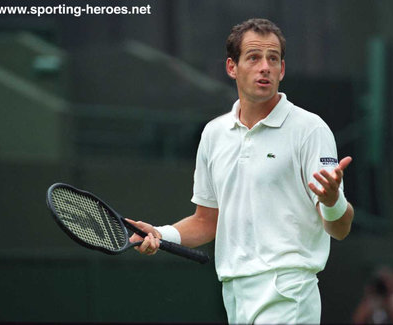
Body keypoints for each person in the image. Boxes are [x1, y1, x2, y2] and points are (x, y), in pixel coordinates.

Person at [126, 18, 354, 324]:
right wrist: (161, 234)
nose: (265, 67)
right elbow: (206, 221)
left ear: (282, 70)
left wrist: (331, 200)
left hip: (288, 292)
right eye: (254, 58)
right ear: (232, 67)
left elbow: (340, 228)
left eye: (273, 59)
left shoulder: (310, 130)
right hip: (234, 293)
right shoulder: (213, 134)